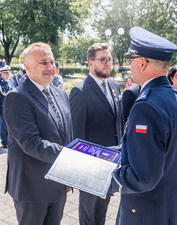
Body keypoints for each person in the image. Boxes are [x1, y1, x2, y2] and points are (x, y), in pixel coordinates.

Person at [111, 27, 177, 225]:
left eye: (131, 61)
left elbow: (143, 178)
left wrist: (110, 170)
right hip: (173, 205)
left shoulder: (146, 105)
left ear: (143, 63)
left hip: (148, 213)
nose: (129, 67)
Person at [3, 42, 73, 225]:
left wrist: (69, 174)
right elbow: (31, 143)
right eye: (44, 62)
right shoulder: (17, 97)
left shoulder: (59, 93)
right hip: (32, 188)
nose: (50, 67)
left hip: (58, 183)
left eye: (52, 62)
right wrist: (71, 156)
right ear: (27, 67)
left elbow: (67, 134)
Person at [69, 43, 123, 225]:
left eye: (109, 59)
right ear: (91, 63)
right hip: (90, 164)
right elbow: (76, 135)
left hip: (111, 161)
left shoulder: (115, 87)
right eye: (103, 60)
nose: (108, 63)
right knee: (88, 215)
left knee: (102, 211)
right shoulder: (80, 91)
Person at [0, 65, 15, 148]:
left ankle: (10, 140)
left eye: (8, 73)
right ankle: (4, 141)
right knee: (4, 125)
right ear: (1, 73)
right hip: (3, 108)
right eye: (5, 73)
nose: (7, 75)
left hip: (12, 108)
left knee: (11, 126)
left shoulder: (11, 82)